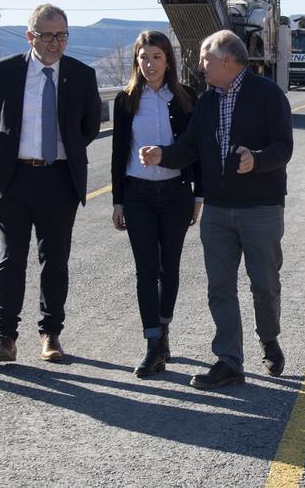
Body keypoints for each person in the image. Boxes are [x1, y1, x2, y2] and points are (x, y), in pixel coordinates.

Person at [139, 30, 293, 389]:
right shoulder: (206, 102)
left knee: (265, 286)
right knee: (219, 287)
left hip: (261, 208)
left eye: (205, 59)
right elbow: (189, 147)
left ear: (227, 59)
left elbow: (284, 147)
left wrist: (256, 160)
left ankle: (268, 338)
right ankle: (229, 361)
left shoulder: (268, 94)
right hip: (219, 211)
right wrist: (164, 154)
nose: (200, 65)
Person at [0, 3, 100, 363]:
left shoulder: (81, 74)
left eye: (61, 35)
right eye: (47, 35)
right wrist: (11, 158)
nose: (55, 42)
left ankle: (51, 334)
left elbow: (88, 127)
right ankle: (6, 337)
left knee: (55, 261)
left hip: (59, 179)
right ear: (30, 36)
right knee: (10, 259)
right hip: (14, 180)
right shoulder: (5, 71)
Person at [110, 31, 202, 378]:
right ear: (136, 60)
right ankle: (152, 345)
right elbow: (119, 153)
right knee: (146, 271)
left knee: (169, 269)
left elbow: (197, 150)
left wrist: (198, 196)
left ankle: (164, 330)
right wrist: (118, 201)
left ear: (169, 61)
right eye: (143, 57)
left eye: (156, 57)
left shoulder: (185, 98)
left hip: (177, 194)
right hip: (138, 196)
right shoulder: (125, 101)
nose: (149, 64)